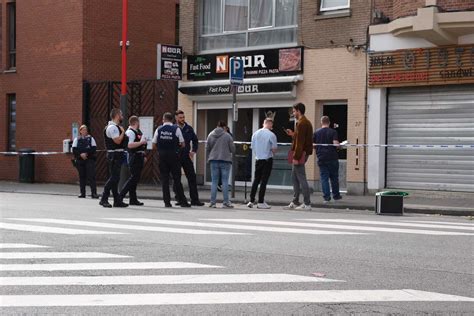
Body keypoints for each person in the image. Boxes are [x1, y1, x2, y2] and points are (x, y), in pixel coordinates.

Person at [153, 112, 190, 208]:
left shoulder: (159, 129)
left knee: (165, 181)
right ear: (172, 120)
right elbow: (183, 144)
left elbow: (153, 144)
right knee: (177, 180)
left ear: (163, 119)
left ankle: (167, 202)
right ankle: (182, 201)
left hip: (162, 157)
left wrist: (160, 149)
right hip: (174, 157)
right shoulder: (176, 129)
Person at [284, 102, 313, 210]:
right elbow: (301, 138)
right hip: (302, 153)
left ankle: (307, 203)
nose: (293, 113)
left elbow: (300, 142)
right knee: (295, 177)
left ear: (299, 111)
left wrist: (296, 157)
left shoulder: (301, 123)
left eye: (294, 111)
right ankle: (295, 201)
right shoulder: (305, 122)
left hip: (300, 154)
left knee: (301, 178)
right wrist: (293, 134)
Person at [173, 110, 204, 206]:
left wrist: (193, 151)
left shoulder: (188, 128)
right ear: (176, 118)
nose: (182, 119)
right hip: (176, 156)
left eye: (183, 117)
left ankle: (195, 199)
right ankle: (179, 198)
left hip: (186, 156)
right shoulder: (173, 128)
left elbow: (195, 140)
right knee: (176, 179)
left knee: (192, 177)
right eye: (180, 117)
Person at [99, 108, 128, 208]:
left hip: (117, 154)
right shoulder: (112, 128)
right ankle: (104, 198)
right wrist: (123, 132)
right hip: (114, 155)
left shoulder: (116, 127)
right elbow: (117, 141)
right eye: (121, 115)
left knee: (116, 178)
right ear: (117, 115)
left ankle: (117, 200)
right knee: (114, 178)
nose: (122, 117)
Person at [247, 118, 277, 209]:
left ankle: (251, 200)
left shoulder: (255, 134)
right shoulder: (271, 135)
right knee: (264, 181)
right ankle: (260, 201)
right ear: (269, 124)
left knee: (256, 180)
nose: (272, 126)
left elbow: (252, 147)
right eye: (271, 125)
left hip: (258, 159)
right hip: (267, 159)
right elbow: (274, 149)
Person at [119, 116, 148, 206]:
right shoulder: (130, 132)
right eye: (138, 122)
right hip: (133, 157)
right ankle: (120, 196)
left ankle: (133, 199)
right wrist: (141, 143)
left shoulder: (137, 132)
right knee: (133, 178)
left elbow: (141, 143)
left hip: (139, 156)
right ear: (136, 123)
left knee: (135, 178)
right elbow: (130, 145)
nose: (139, 124)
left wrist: (144, 153)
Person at [206, 121, 235, 208]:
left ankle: (212, 202)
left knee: (214, 182)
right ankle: (226, 202)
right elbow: (233, 149)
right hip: (225, 160)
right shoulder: (227, 136)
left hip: (213, 160)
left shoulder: (210, 135)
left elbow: (207, 148)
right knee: (225, 181)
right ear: (224, 127)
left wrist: (208, 158)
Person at [314, 116, 342, 203]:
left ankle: (326, 197)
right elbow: (335, 144)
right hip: (332, 157)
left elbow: (313, 145)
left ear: (321, 122)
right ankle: (336, 196)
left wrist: (319, 148)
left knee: (324, 178)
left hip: (321, 157)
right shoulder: (333, 132)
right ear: (329, 123)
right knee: (334, 178)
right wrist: (340, 145)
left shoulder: (316, 132)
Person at [72, 125, 98, 199]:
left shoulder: (91, 139)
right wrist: (80, 155)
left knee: (91, 176)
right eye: (83, 130)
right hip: (80, 160)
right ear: (80, 131)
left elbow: (94, 149)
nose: (84, 131)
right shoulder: (77, 139)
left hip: (89, 160)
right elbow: (74, 150)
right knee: (82, 176)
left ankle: (94, 193)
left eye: (86, 130)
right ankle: (82, 193)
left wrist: (86, 154)